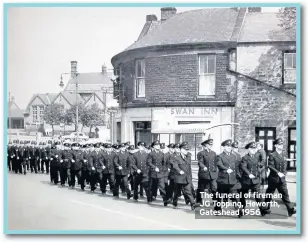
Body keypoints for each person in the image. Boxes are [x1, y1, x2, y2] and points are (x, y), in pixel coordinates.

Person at [265, 138, 296, 217]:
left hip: (282, 179)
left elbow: (284, 165)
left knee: (285, 194)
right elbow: (270, 166)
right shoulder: (272, 155)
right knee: (269, 195)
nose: (281, 146)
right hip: (273, 179)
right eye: (279, 144)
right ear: (275, 145)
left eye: (282, 144)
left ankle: (290, 210)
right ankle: (265, 209)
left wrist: (284, 173)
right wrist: (278, 172)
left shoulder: (283, 154)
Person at [240, 142, 270, 216]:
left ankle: (263, 210)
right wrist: (249, 174)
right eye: (252, 149)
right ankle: (241, 210)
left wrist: (260, 172)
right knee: (243, 196)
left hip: (255, 180)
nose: (254, 150)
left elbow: (259, 165)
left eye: (255, 148)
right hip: (246, 180)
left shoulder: (257, 157)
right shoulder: (245, 157)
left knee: (258, 195)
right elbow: (243, 167)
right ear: (248, 149)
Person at [215, 139, 243, 218]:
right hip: (222, 180)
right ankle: (217, 209)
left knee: (235, 195)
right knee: (219, 196)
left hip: (232, 180)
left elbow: (237, 167)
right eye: (227, 146)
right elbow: (219, 165)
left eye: (230, 146)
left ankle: (239, 210)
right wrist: (226, 169)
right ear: (223, 147)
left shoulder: (234, 156)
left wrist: (238, 176)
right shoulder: (219, 156)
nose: (229, 148)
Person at [171, 142, 200, 210]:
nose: (186, 151)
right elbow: (175, 165)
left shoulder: (188, 157)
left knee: (188, 191)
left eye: (187, 150)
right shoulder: (176, 157)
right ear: (180, 149)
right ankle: (174, 203)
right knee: (177, 192)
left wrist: (190, 177)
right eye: (185, 149)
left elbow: (189, 168)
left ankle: (193, 204)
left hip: (186, 178)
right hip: (179, 178)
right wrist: (179, 170)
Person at [147, 140, 170, 206]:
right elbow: (149, 162)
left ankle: (165, 200)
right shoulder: (151, 154)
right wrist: (154, 167)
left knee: (162, 187)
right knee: (151, 186)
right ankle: (150, 199)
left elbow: (164, 163)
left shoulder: (161, 153)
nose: (158, 146)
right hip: (153, 173)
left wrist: (163, 169)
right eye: (156, 145)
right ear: (154, 146)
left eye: (159, 145)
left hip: (160, 173)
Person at [196, 139, 218, 205]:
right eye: (209, 144)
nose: (210, 146)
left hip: (212, 174)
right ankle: (199, 201)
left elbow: (215, 163)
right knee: (201, 188)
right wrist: (203, 167)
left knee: (214, 187)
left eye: (211, 144)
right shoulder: (201, 153)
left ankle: (215, 201)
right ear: (206, 145)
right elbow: (200, 162)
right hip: (204, 174)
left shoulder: (214, 153)